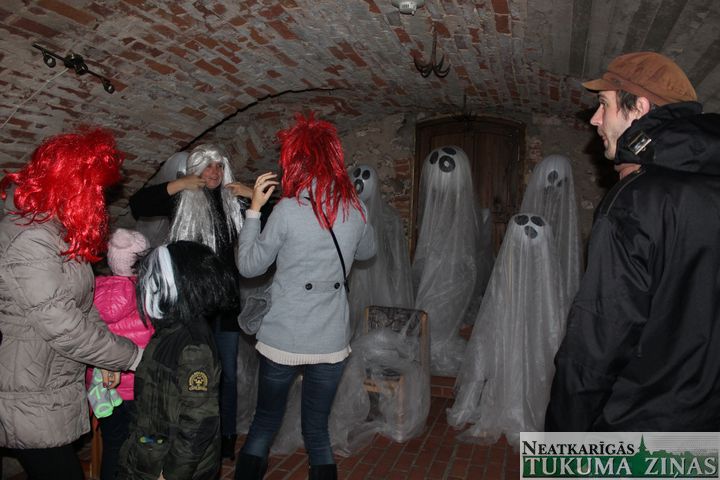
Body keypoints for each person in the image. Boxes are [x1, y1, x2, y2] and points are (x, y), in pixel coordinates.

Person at [545, 51, 720, 430]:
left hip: (640, 428)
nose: (595, 119)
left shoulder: (637, 199)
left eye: (604, 105)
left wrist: (562, 444)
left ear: (638, 108)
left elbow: (599, 341)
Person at [234, 112, 376, 480]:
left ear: (295, 162)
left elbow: (249, 266)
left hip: (284, 335)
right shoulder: (356, 208)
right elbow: (367, 252)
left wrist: (253, 212)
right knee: (317, 430)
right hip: (329, 339)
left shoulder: (286, 210)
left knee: (264, 422)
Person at [0, 127, 142, 479]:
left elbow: (84, 304)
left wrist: (108, 356)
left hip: (47, 380)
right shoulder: (31, 239)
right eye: (94, 188)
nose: (100, 197)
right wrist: (133, 357)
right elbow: (62, 325)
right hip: (27, 385)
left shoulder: (56, 229)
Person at [129, 144, 252, 458]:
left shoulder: (232, 201)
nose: (214, 172)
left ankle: (226, 437)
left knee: (226, 373)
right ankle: (194, 434)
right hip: (192, 303)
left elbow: (275, 214)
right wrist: (180, 184)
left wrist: (252, 194)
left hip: (225, 303)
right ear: (196, 169)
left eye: (219, 166)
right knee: (194, 371)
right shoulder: (182, 198)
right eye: (208, 166)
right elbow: (138, 203)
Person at [117, 240, 240, 479]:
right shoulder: (170, 329)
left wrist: (171, 474)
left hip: (172, 466)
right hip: (152, 454)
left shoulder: (193, 346)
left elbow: (199, 422)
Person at [86, 228, 154, 480]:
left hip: (103, 389)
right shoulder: (148, 296)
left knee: (114, 444)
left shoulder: (92, 291)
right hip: (138, 387)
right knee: (144, 443)